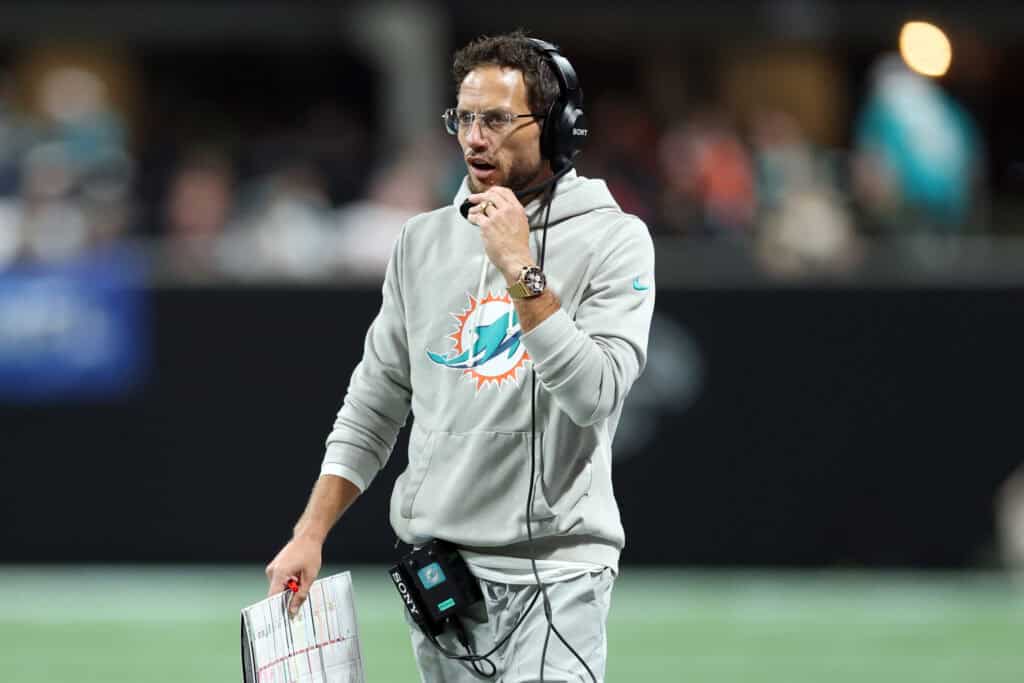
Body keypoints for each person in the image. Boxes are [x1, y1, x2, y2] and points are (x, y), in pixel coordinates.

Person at [265, 31, 655, 682]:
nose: (475, 137)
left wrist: (520, 268)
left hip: (555, 575)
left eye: (497, 119)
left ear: (558, 127)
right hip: (443, 580)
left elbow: (596, 392)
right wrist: (311, 531)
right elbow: (373, 401)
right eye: (465, 118)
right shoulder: (422, 241)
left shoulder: (614, 239)